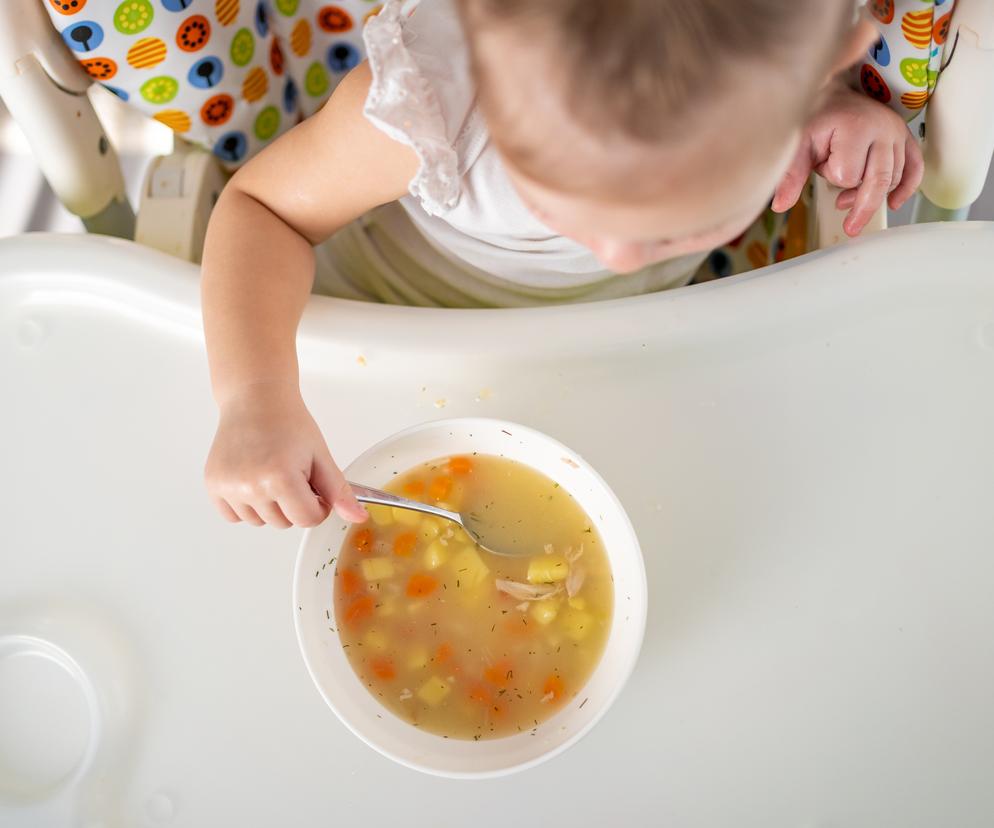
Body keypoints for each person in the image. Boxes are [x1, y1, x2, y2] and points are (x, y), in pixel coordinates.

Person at [201, 0, 924, 529]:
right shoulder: (430, 102)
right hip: (389, 324)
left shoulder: (767, 73)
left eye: (683, 228)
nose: (614, 255)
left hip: (634, 354)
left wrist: (837, 106)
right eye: (560, 208)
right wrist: (254, 397)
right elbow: (263, 211)